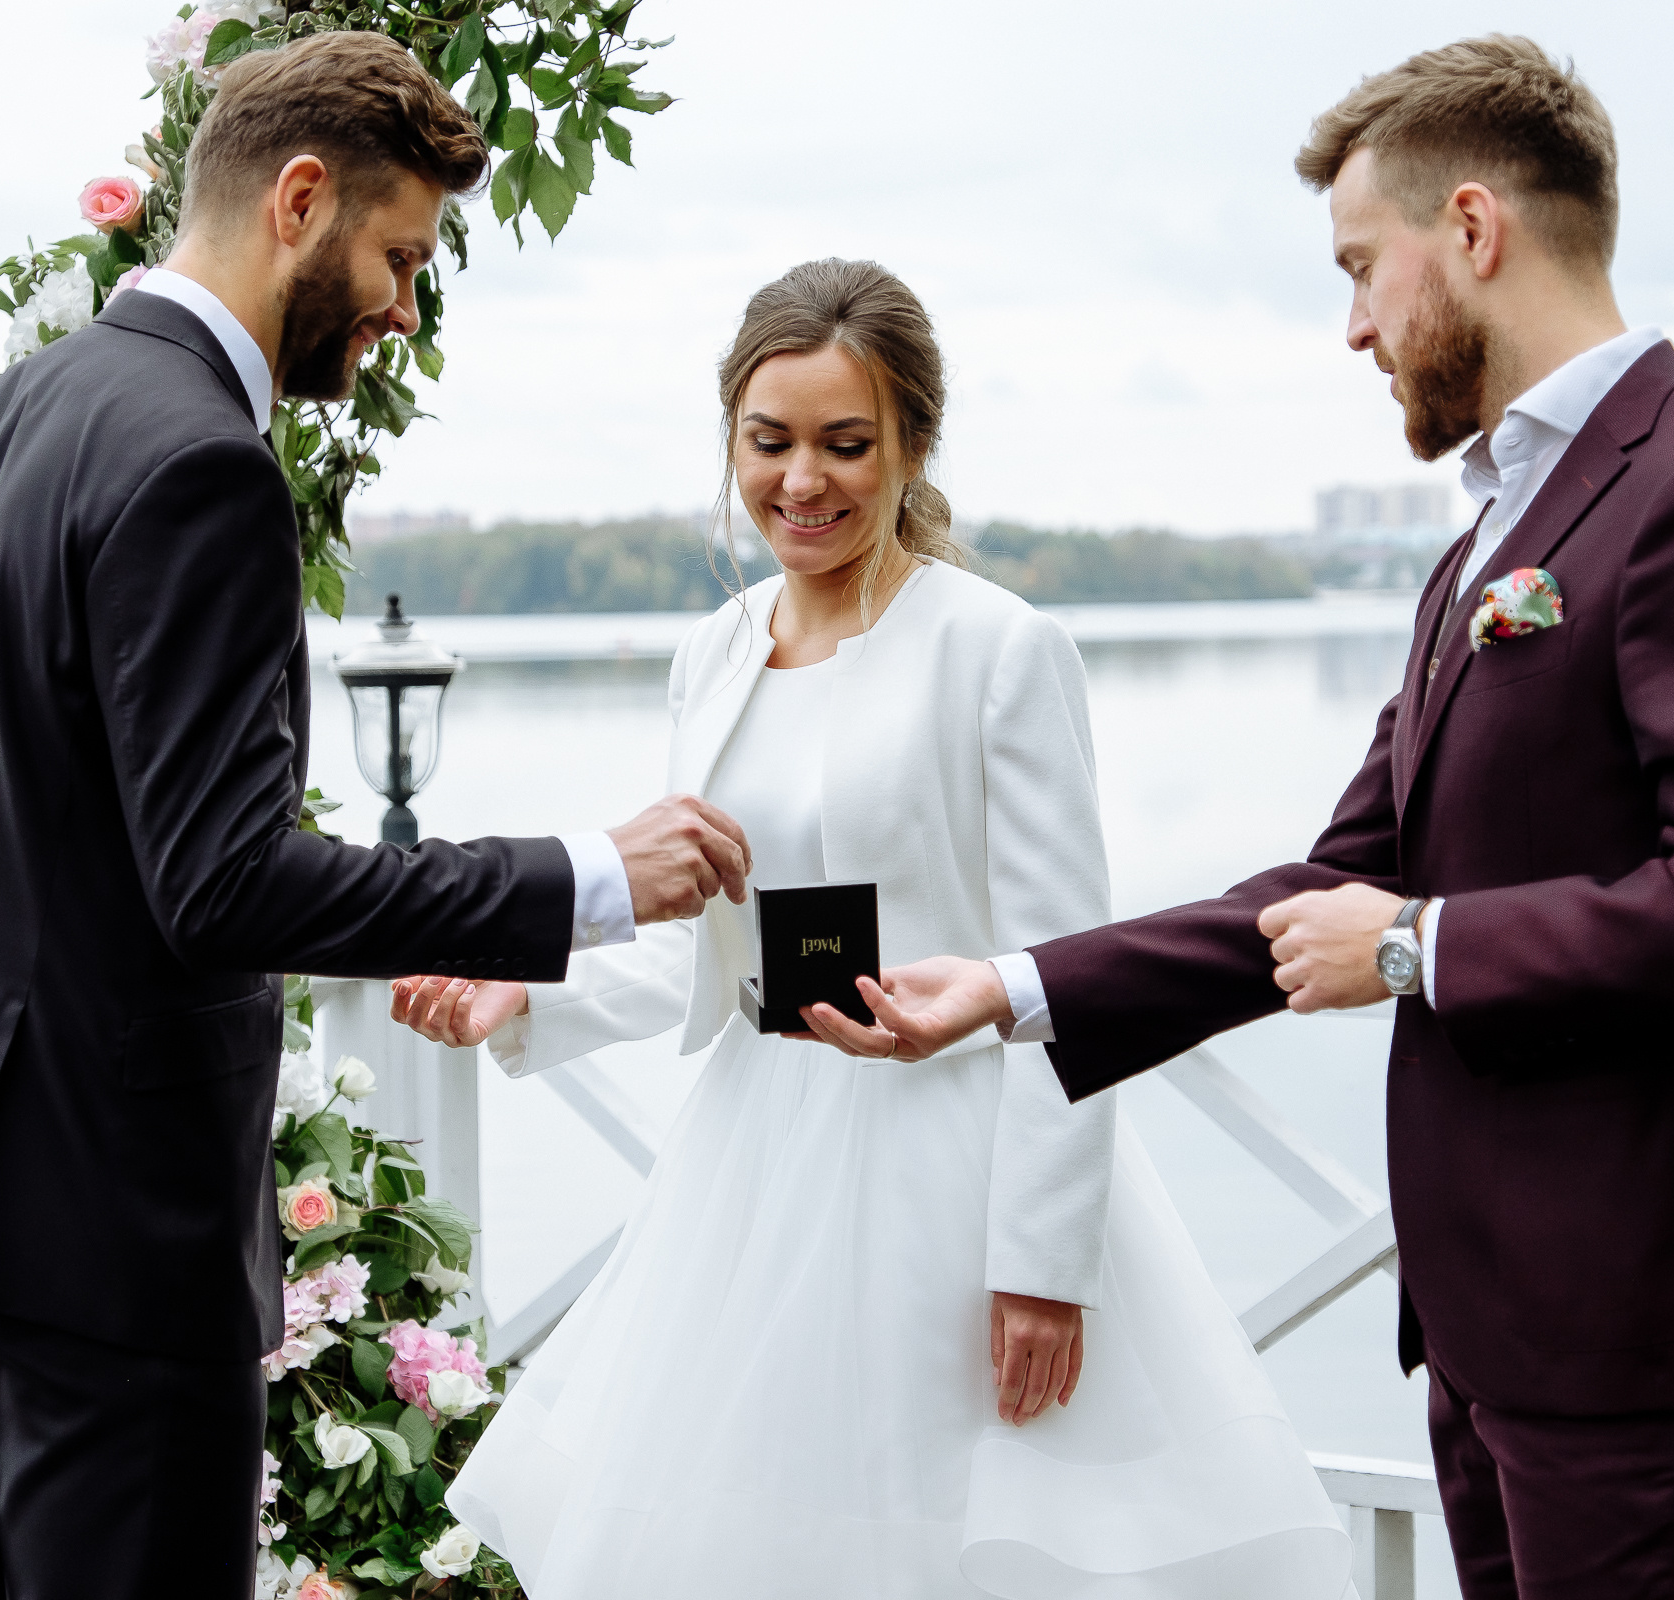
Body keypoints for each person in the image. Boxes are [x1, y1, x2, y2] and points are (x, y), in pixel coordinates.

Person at [803, 37, 1674, 1600]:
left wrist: (1423, 948)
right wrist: (1021, 990)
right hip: (1494, 1322)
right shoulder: (1482, 546)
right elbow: (1343, 874)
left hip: (1645, 1316)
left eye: (1365, 268)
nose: (1356, 324)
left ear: (1475, 229)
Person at [0, 33, 748, 1600]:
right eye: (401, 256)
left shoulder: (0, 421)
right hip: (100, 1228)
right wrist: (584, 878)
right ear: (300, 199)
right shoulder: (201, 465)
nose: (403, 309)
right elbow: (220, 884)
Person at [390, 259, 1351, 1599]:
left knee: (962, 1539)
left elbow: (1067, 974)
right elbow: (723, 954)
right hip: (758, 1172)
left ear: (911, 444)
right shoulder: (713, 652)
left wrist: (1042, 1264)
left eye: (846, 445)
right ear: (730, 437)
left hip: (955, 1173)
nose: (803, 482)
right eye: (769, 443)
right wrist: (529, 995)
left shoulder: (1000, 650)